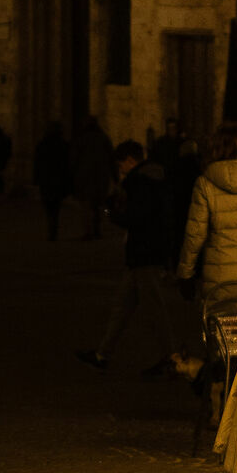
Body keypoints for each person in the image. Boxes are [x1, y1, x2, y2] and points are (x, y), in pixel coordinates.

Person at [175, 124, 237, 423]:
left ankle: (220, 408)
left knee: (221, 348)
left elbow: (194, 237)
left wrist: (184, 275)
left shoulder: (205, 184)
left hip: (219, 286)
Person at [77, 141, 174, 372]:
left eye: (121, 164)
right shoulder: (157, 177)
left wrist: (112, 213)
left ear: (130, 160)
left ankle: (172, 359)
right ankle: (103, 354)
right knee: (122, 306)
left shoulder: (140, 182)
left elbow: (135, 218)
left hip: (144, 253)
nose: (120, 169)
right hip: (146, 251)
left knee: (155, 309)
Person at [70, 115, 115, 239]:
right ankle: (96, 229)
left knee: (86, 206)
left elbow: (74, 160)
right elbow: (111, 158)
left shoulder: (81, 139)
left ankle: (88, 231)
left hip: (85, 177)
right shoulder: (103, 138)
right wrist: (115, 177)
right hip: (100, 177)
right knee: (97, 205)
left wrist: (72, 176)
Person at [33, 121, 71, 241]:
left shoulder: (42, 145)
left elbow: (37, 164)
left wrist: (36, 178)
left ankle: (52, 230)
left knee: (49, 206)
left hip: (46, 180)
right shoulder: (63, 145)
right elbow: (67, 164)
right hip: (58, 180)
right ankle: (53, 229)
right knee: (55, 207)